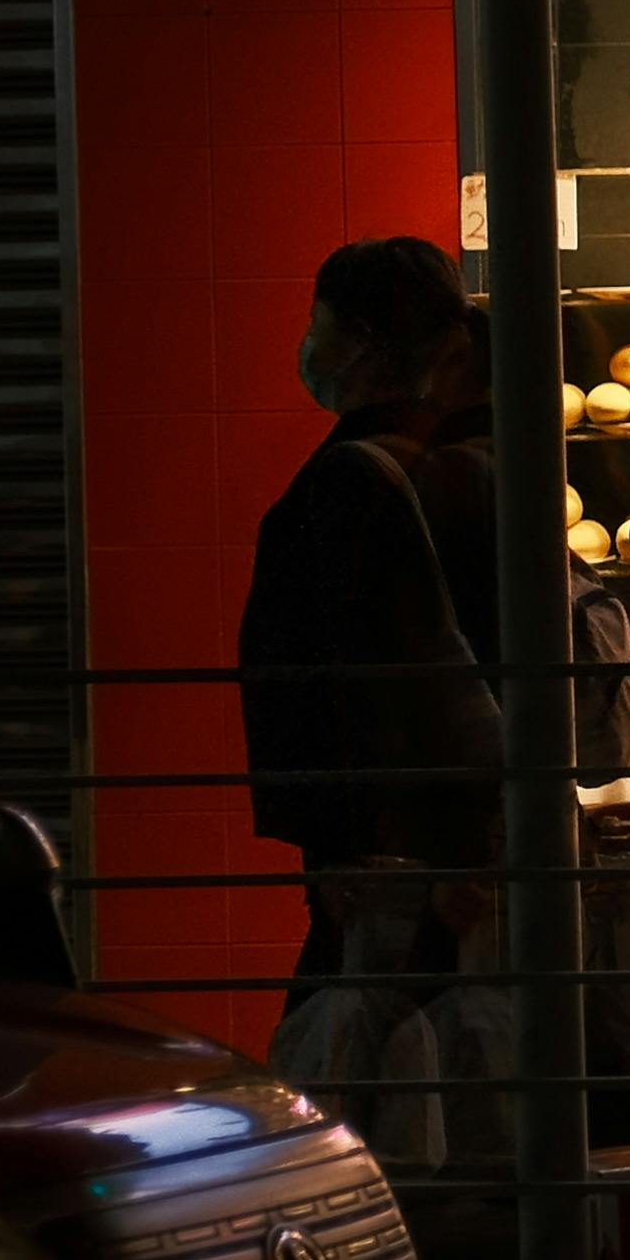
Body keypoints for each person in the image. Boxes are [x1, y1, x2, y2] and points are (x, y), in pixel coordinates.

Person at [234, 237, 498, 982]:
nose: (312, 345)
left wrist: (339, 848)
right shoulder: (465, 460)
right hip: (457, 844)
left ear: (365, 345)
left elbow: (362, 679)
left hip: (389, 854)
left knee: (366, 1052)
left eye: (321, 325)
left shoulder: (355, 482)